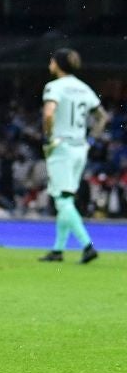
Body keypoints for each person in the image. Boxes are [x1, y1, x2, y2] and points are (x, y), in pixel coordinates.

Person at [38, 48, 110, 264]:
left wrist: (49, 135)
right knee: (67, 197)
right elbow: (103, 117)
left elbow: (49, 113)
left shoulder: (54, 87)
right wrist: (91, 139)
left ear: (57, 64)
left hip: (62, 146)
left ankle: (87, 246)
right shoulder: (83, 88)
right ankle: (58, 250)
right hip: (80, 147)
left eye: (52, 60)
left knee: (62, 200)